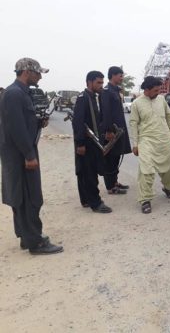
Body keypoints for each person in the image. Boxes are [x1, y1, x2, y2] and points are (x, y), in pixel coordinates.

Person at [0, 58, 63, 255]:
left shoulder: (20, 93)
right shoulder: (14, 94)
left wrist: (38, 122)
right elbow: (16, 128)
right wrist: (29, 155)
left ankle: (27, 237)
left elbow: (22, 123)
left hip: (20, 152)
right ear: (27, 72)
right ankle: (35, 242)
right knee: (29, 197)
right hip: (20, 155)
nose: (40, 77)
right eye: (38, 73)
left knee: (22, 197)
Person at [130, 76, 170, 214]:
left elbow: (169, 117)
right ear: (147, 89)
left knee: (169, 168)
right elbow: (133, 124)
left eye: (159, 90)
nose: (158, 92)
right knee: (146, 171)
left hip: (164, 139)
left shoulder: (161, 100)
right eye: (156, 90)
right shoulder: (136, 103)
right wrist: (135, 144)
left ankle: (168, 187)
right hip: (146, 140)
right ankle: (145, 200)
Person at [72, 71, 113, 214]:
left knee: (87, 171)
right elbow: (78, 123)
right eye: (98, 83)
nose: (101, 85)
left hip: (94, 142)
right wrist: (80, 143)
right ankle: (95, 203)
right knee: (88, 173)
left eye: (102, 82)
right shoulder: (83, 98)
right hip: (87, 143)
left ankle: (86, 199)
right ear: (89, 82)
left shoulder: (94, 97)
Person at [100, 66, 132, 195]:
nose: (122, 78)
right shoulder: (107, 91)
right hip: (112, 132)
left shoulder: (116, 90)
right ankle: (110, 187)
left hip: (119, 131)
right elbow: (106, 113)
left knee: (116, 157)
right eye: (120, 75)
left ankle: (115, 182)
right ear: (113, 75)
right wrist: (108, 131)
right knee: (110, 159)